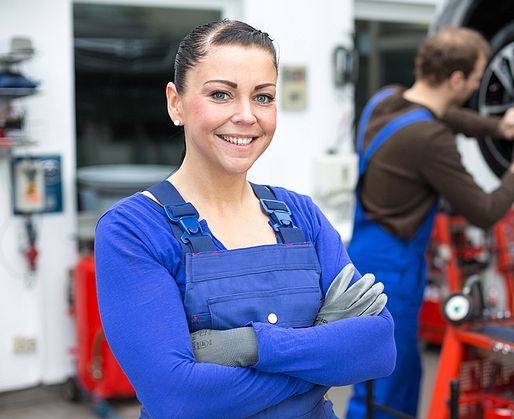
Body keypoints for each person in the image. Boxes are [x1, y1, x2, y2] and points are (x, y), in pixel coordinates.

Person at [94, 19, 395, 419]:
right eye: (221, 94)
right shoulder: (133, 230)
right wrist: (323, 358)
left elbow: (379, 347)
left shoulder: (302, 216)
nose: (246, 115)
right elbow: (179, 399)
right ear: (175, 103)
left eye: (263, 97)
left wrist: (250, 347)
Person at [345, 26, 514, 418]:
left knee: (377, 372)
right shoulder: (430, 139)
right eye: (473, 78)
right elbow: (484, 210)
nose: (474, 86)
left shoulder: (384, 100)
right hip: (394, 270)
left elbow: (446, 115)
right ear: (456, 79)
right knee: (388, 380)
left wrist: (497, 126)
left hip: (363, 254)